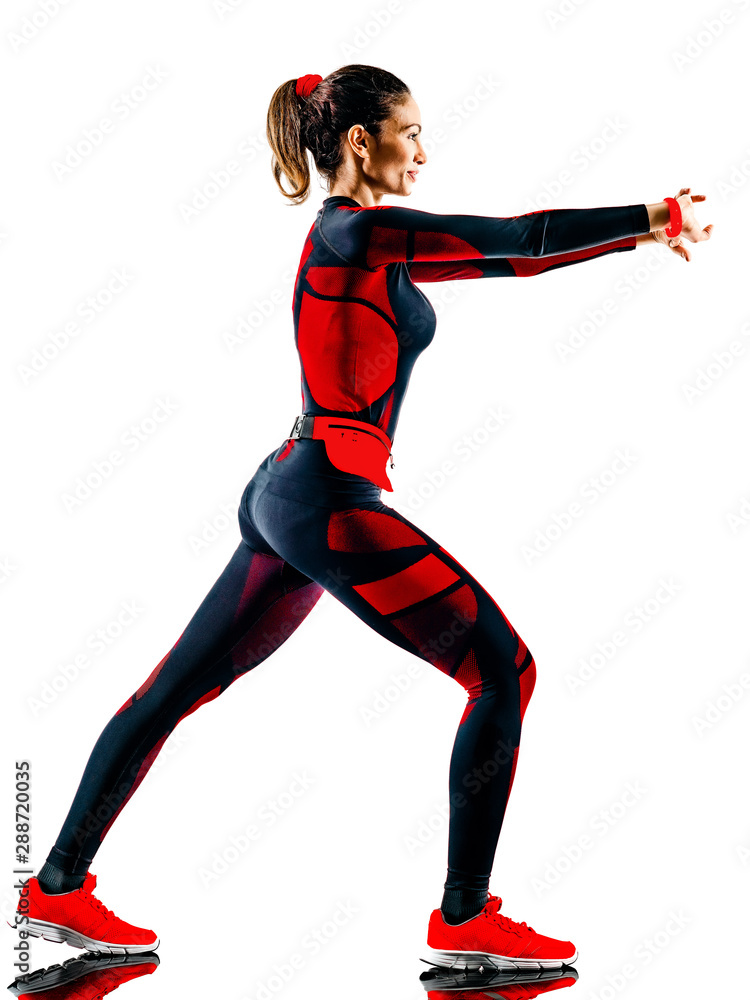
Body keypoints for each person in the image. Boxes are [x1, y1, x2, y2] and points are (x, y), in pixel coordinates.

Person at [16, 63, 712, 971]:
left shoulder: (360, 244)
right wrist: (654, 214)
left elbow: (512, 256)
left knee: (175, 690)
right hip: (325, 503)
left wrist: (643, 237)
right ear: (360, 140)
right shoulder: (359, 233)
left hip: (290, 493)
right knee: (503, 670)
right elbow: (519, 236)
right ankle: (464, 919)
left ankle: (56, 888)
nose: (422, 150)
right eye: (409, 132)